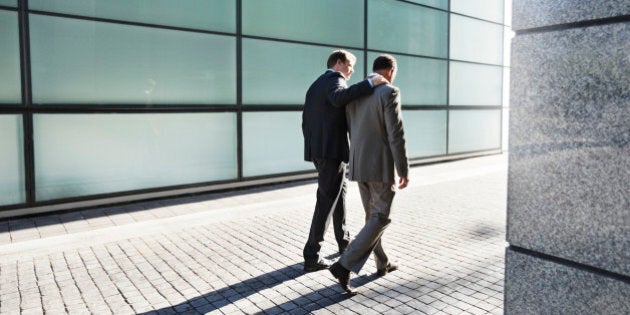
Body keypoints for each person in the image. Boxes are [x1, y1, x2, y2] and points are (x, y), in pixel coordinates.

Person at [302, 50, 388, 272]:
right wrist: (370, 84)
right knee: (326, 202)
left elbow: (307, 120)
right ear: (339, 63)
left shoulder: (317, 84)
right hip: (330, 152)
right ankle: (311, 256)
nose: (351, 71)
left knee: (338, 196)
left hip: (322, 151)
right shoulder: (334, 80)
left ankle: (344, 242)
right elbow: (339, 98)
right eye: (350, 65)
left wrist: (315, 149)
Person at [328, 54, 409, 293]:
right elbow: (396, 134)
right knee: (381, 217)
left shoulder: (356, 93)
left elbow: (352, 130)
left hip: (359, 164)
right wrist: (402, 169)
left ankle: (381, 262)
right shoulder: (389, 92)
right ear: (391, 71)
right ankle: (344, 266)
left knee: (371, 217)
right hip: (380, 166)